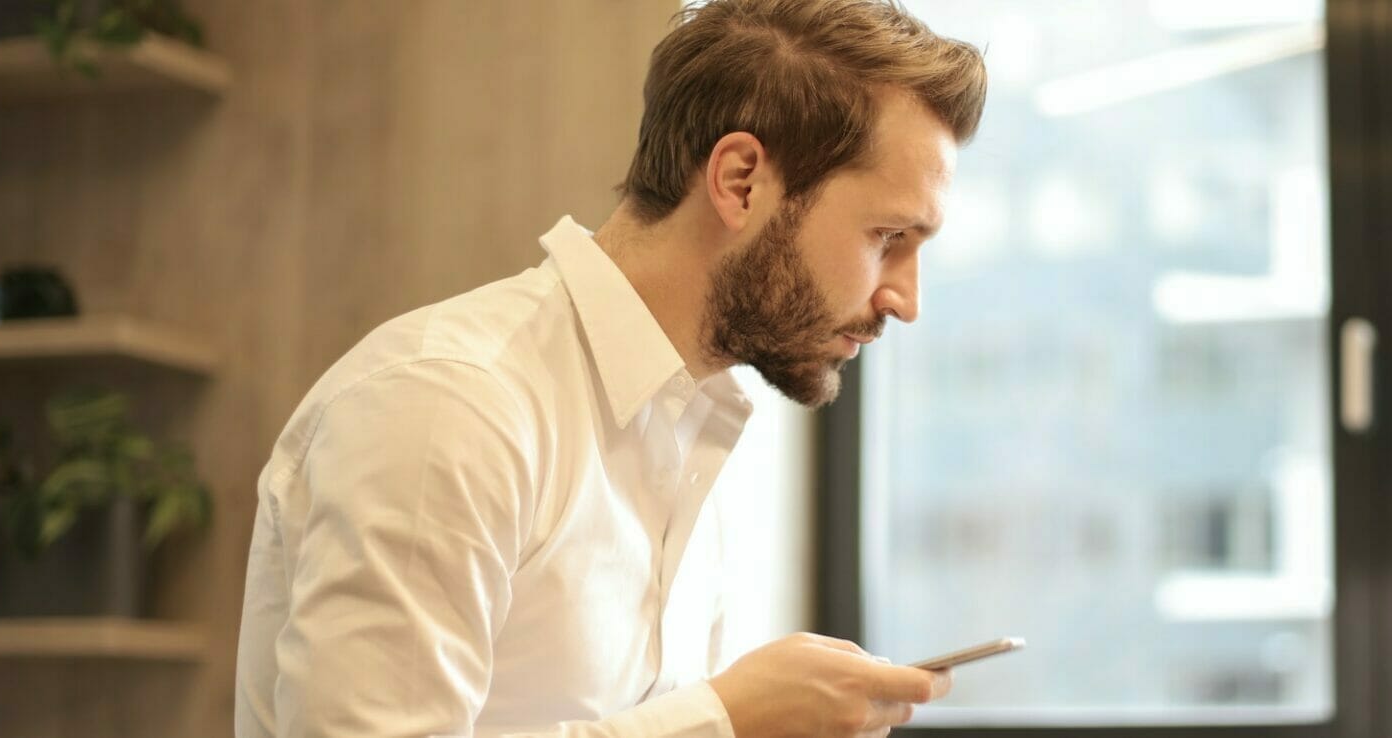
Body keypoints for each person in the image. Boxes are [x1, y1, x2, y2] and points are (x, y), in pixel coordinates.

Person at [233, 0, 987, 736]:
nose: (906, 298)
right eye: (889, 235)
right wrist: (725, 721)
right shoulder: (447, 405)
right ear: (740, 182)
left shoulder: (688, 433)